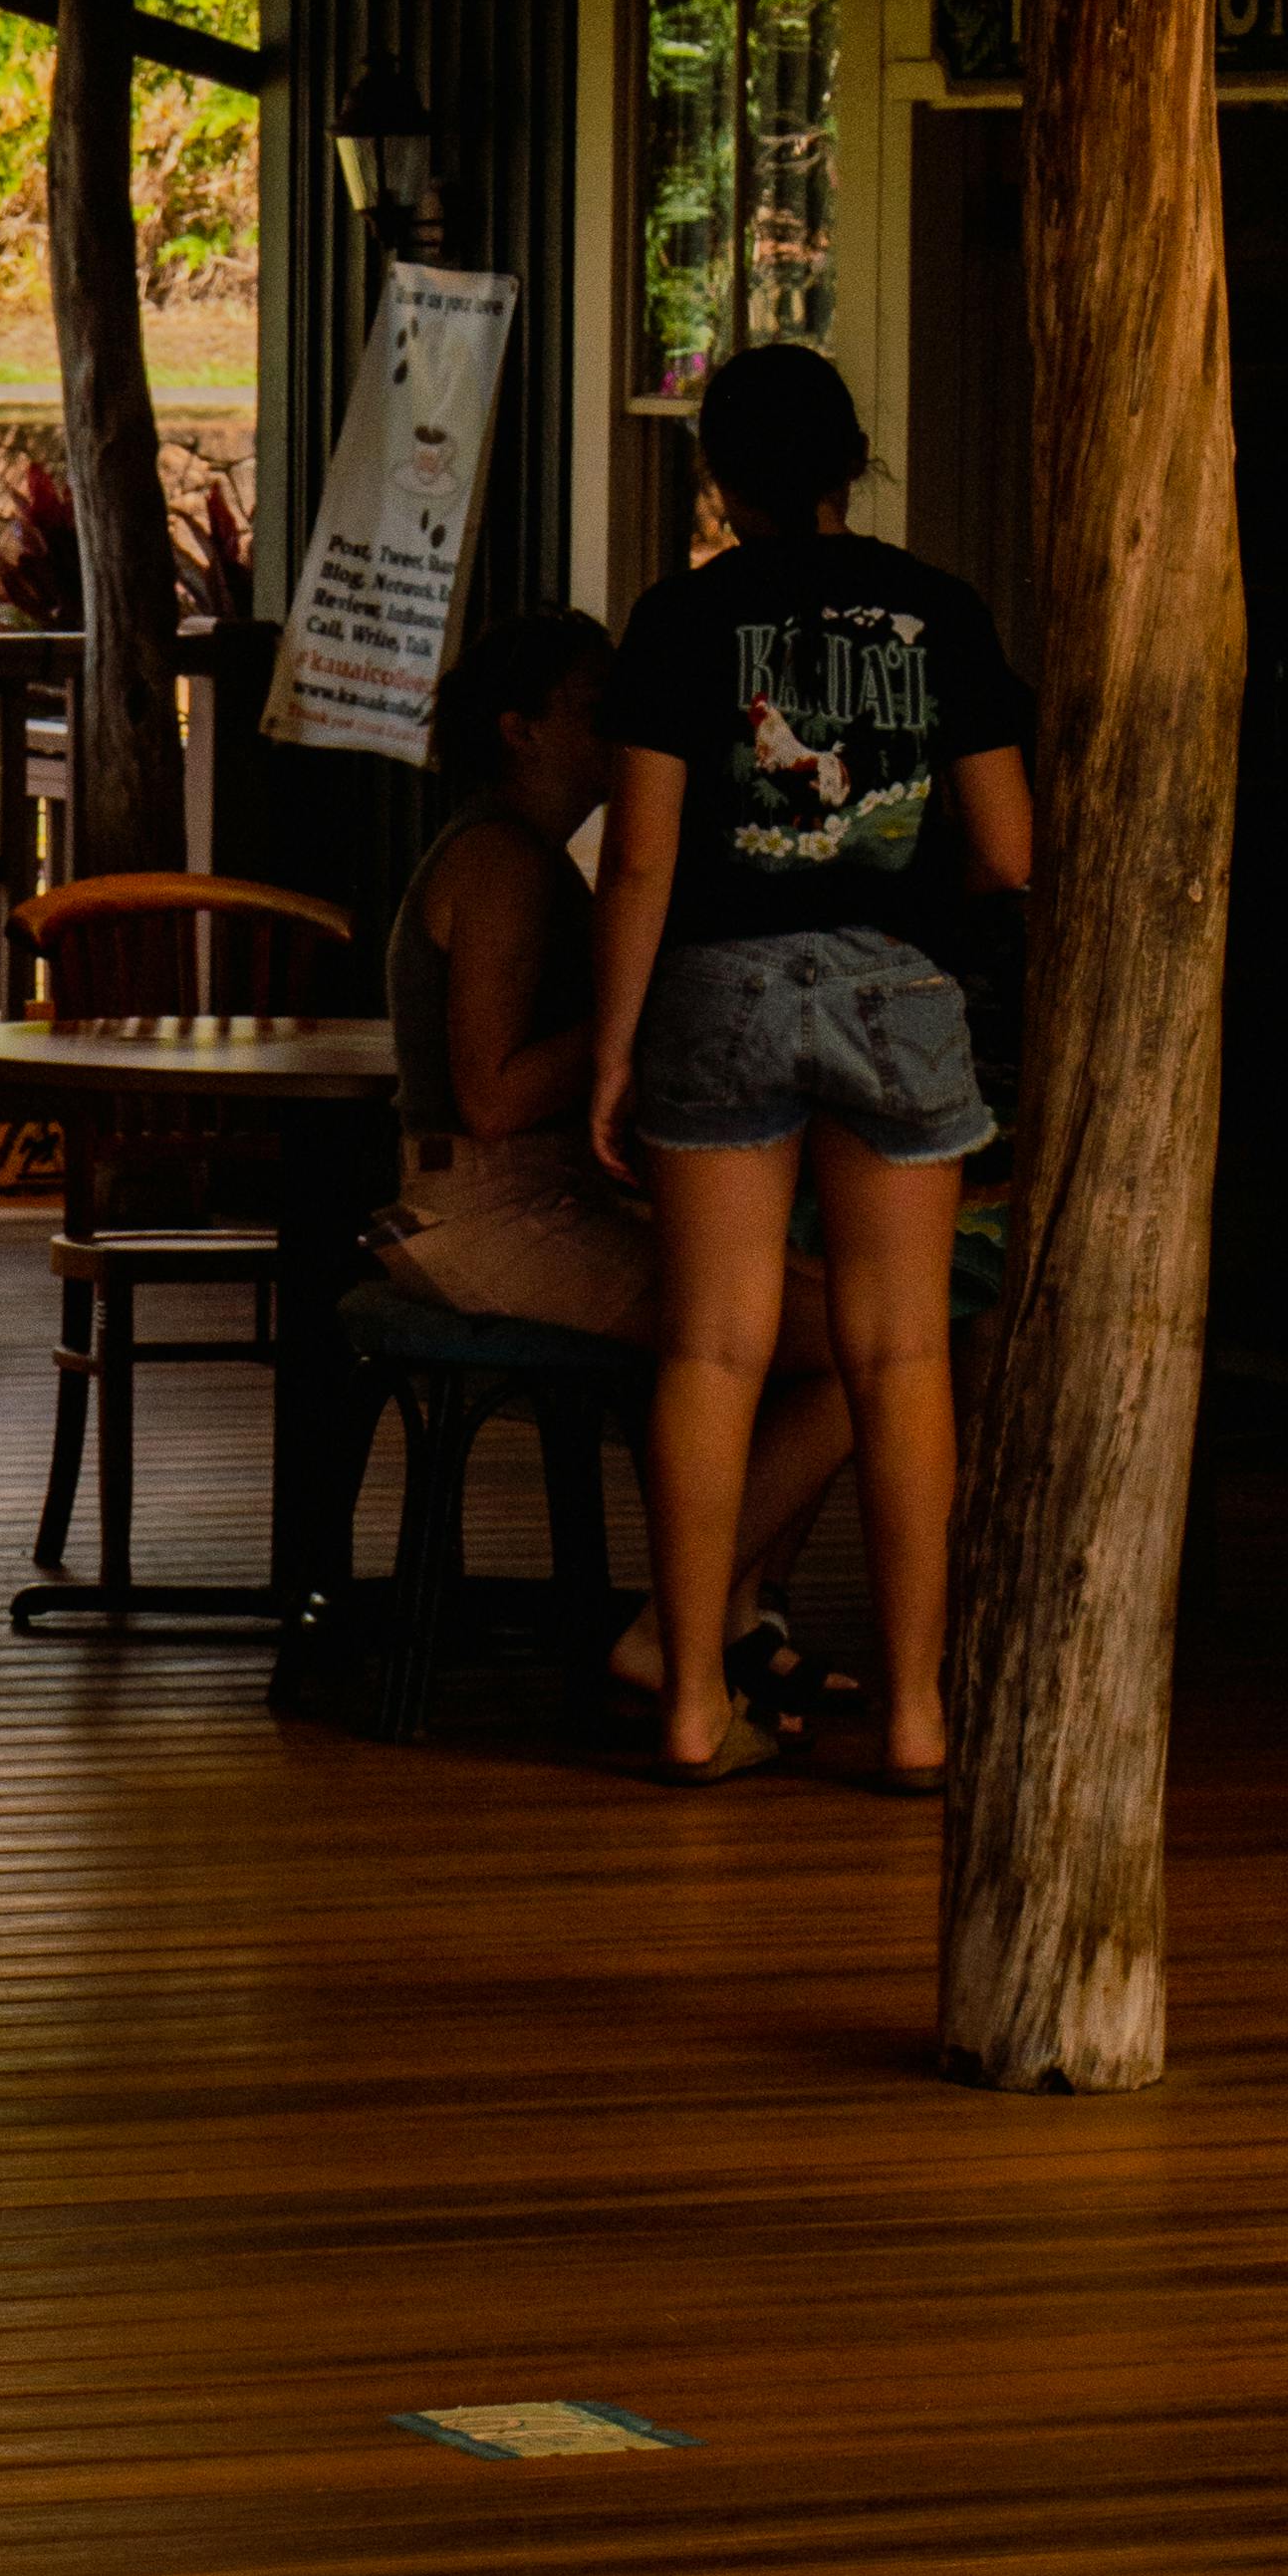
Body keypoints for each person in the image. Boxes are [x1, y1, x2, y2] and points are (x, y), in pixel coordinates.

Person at [589, 343, 1035, 1790]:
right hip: (897, 992)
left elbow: (642, 860)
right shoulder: (941, 614)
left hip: (713, 992)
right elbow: (1010, 852)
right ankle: (916, 1718)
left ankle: (693, 1705)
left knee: (711, 1348)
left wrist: (610, 1058)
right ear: (853, 464)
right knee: (901, 1352)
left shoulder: (676, 622)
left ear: (715, 474)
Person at [380, 595, 851, 1718]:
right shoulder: (501, 862)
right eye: (595, 710)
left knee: (818, 1310)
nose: (619, 729)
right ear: (519, 727)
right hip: (484, 1208)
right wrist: (635, 1012)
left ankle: (733, 1619)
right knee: (852, 1344)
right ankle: (678, 1622)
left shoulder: (535, 858)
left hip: (525, 1196)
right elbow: (491, 1096)